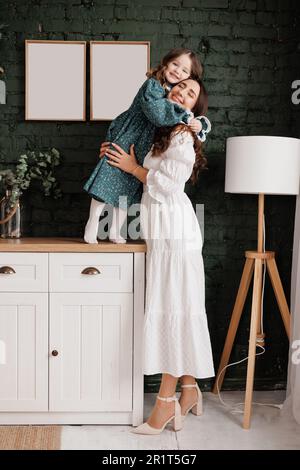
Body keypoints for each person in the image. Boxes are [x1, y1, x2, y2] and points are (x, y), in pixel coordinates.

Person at [102, 77, 215, 435]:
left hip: (174, 232)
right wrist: (127, 159)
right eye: (179, 87)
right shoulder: (164, 129)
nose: (182, 92)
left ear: (195, 108)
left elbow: (167, 185)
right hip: (161, 229)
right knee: (176, 307)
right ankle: (189, 388)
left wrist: (133, 168)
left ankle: (165, 404)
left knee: (173, 310)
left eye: (191, 92)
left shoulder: (183, 134)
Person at [83, 48, 211, 244]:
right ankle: (92, 224)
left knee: (128, 185)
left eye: (185, 71)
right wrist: (187, 116)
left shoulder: (175, 99)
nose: (178, 71)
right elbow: (156, 114)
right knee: (108, 177)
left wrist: (199, 123)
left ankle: (116, 229)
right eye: (175, 64)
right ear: (166, 63)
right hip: (130, 134)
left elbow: (192, 117)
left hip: (143, 142)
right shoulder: (154, 86)